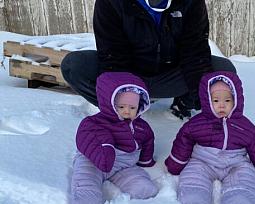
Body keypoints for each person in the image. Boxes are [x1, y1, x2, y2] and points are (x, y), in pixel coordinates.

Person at [61, 0, 236, 120]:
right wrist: (124, 95)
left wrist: (202, 103)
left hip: (171, 76)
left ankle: (182, 105)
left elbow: (195, 51)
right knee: (74, 65)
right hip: (131, 74)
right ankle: (119, 110)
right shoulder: (110, 2)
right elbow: (113, 55)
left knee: (224, 70)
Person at [164, 71, 255, 204]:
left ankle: (239, 197)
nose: (221, 105)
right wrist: (175, 164)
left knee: (244, 174)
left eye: (227, 101)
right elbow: (183, 142)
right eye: (216, 101)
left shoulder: (243, 125)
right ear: (208, 101)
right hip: (203, 160)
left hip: (234, 163)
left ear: (235, 101)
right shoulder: (198, 123)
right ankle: (194, 195)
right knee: (194, 172)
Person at [70, 72, 158, 204]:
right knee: (87, 182)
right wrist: (104, 147)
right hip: (92, 161)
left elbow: (148, 141)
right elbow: (85, 138)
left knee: (145, 188)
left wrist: (145, 160)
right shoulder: (93, 122)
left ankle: (137, 188)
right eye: (121, 107)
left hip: (123, 165)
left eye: (132, 108)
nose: (127, 112)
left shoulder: (141, 126)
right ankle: (86, 198)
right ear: (110, 104)